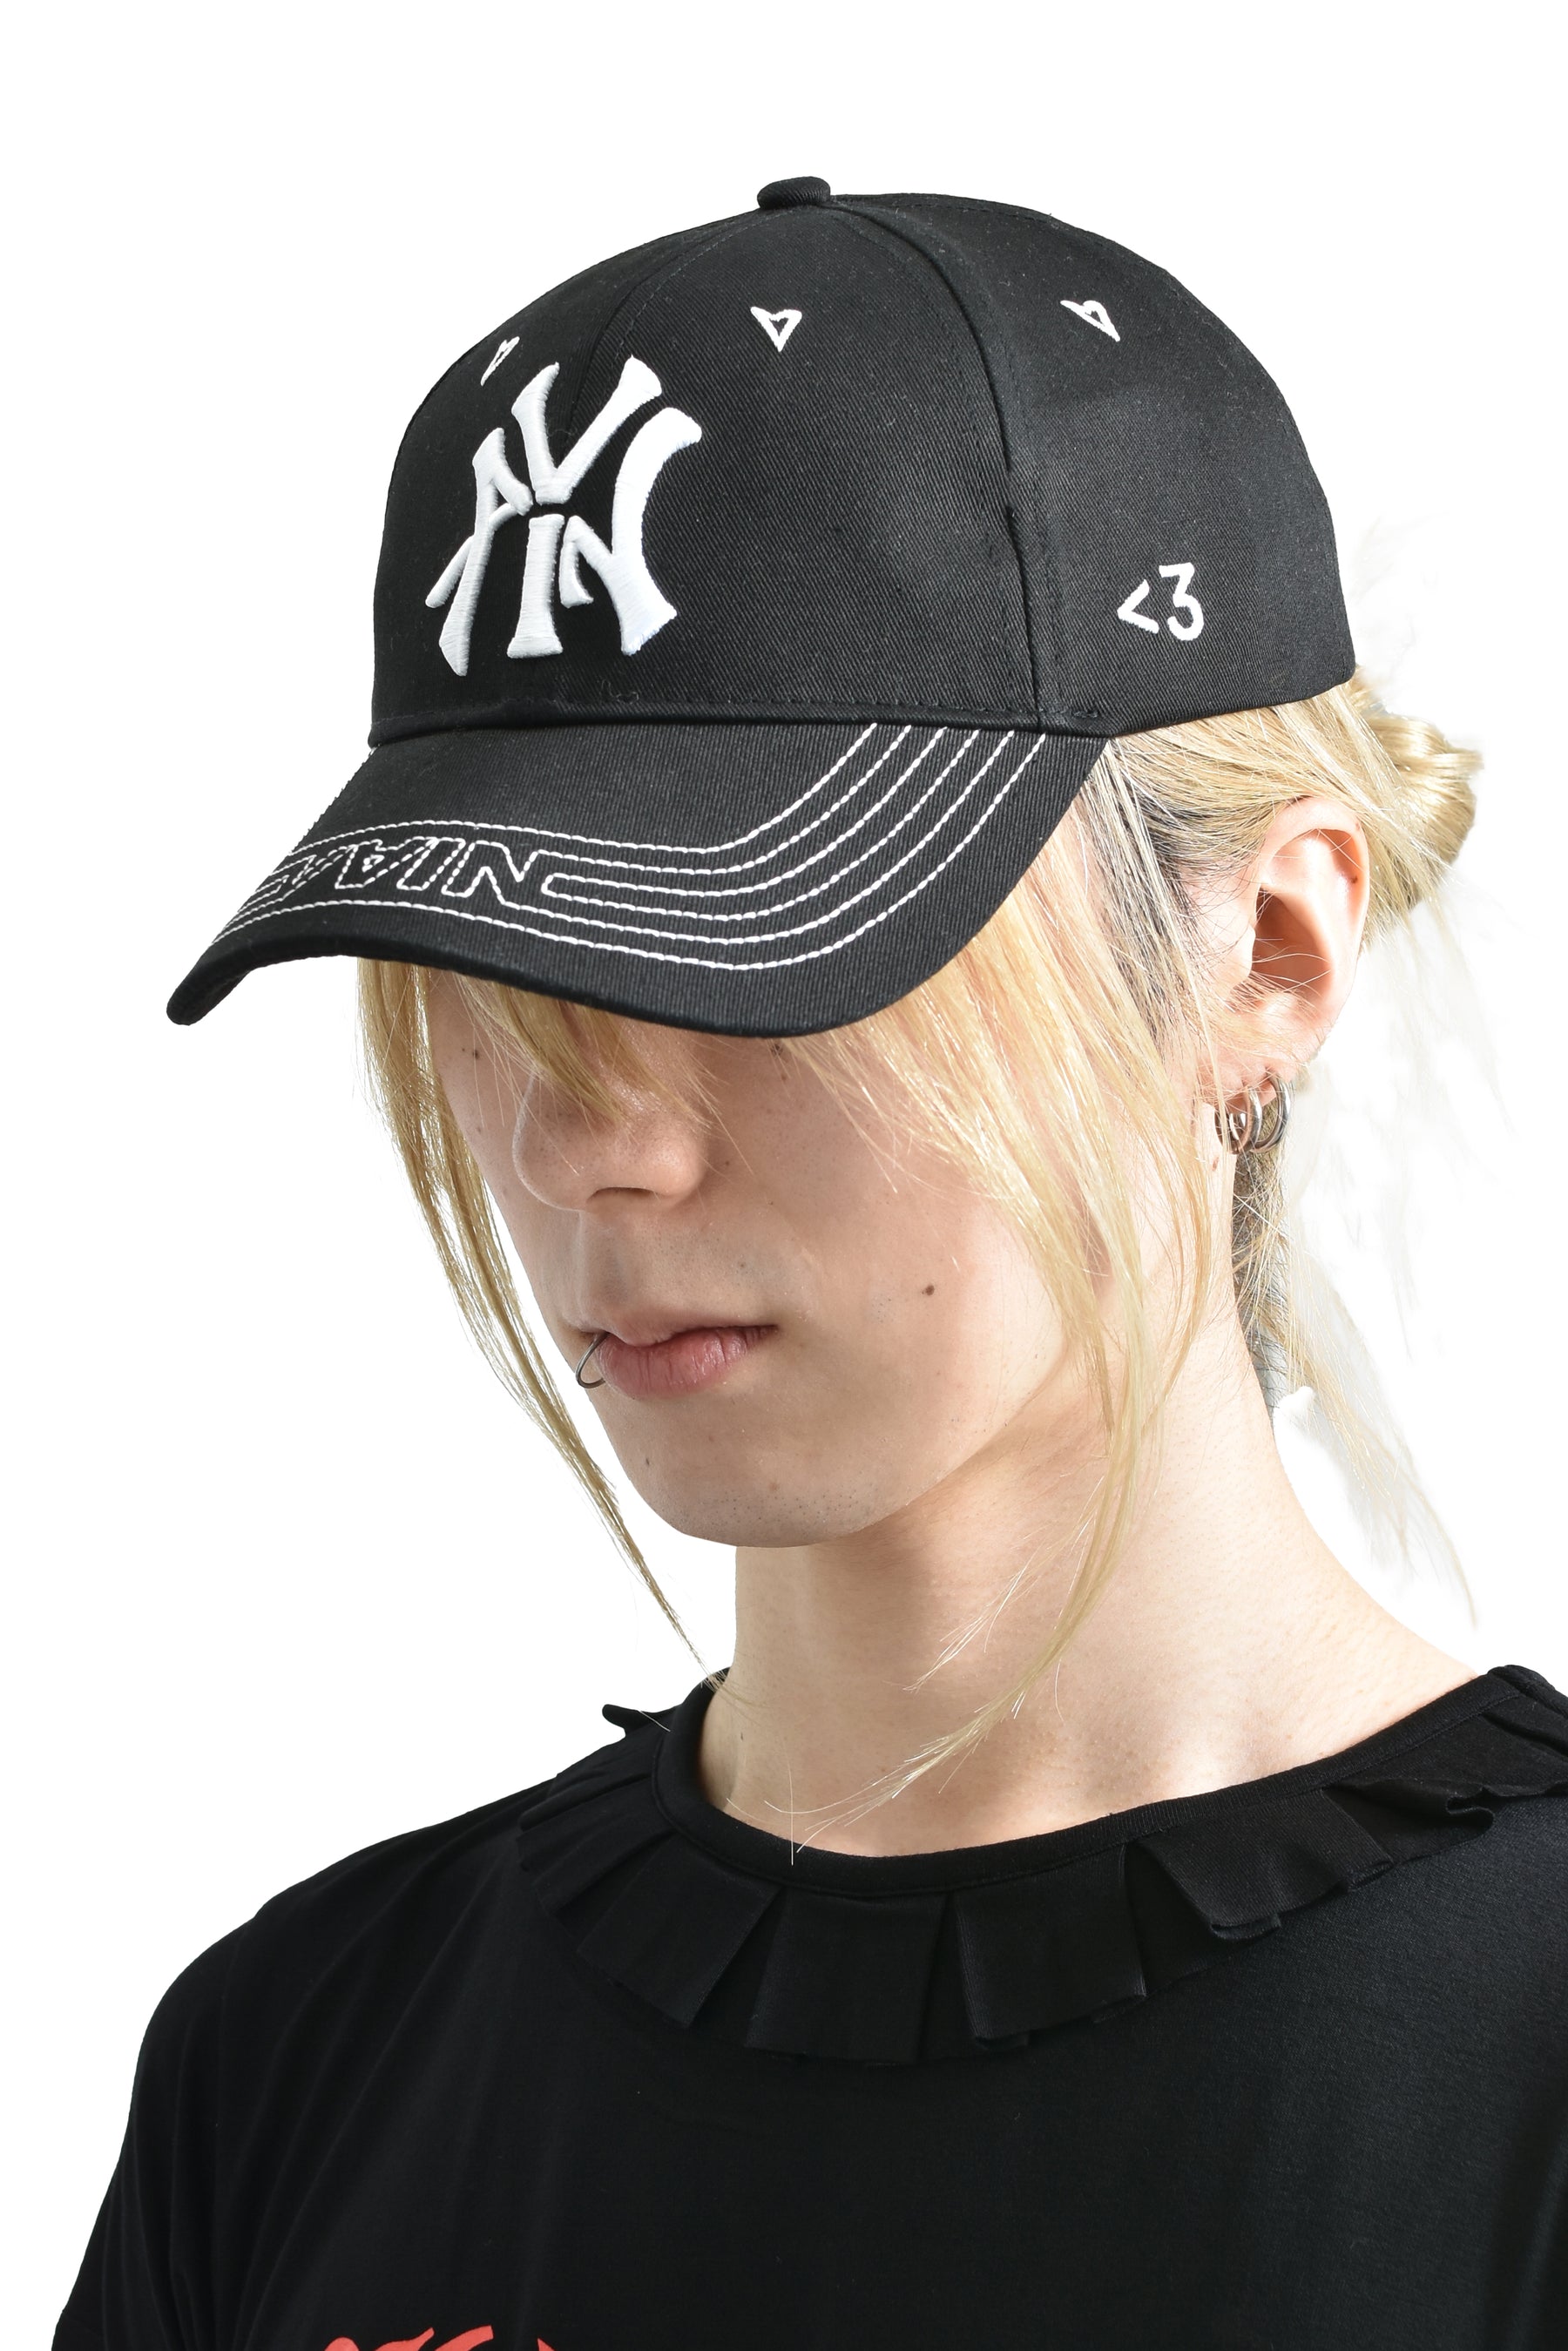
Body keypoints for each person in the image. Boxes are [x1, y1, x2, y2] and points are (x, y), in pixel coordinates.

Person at [57, 178, 1568, 2351]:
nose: (589, 1142)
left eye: (758, 953)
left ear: (1265, 950)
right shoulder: (296, 2061)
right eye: (496, 967)